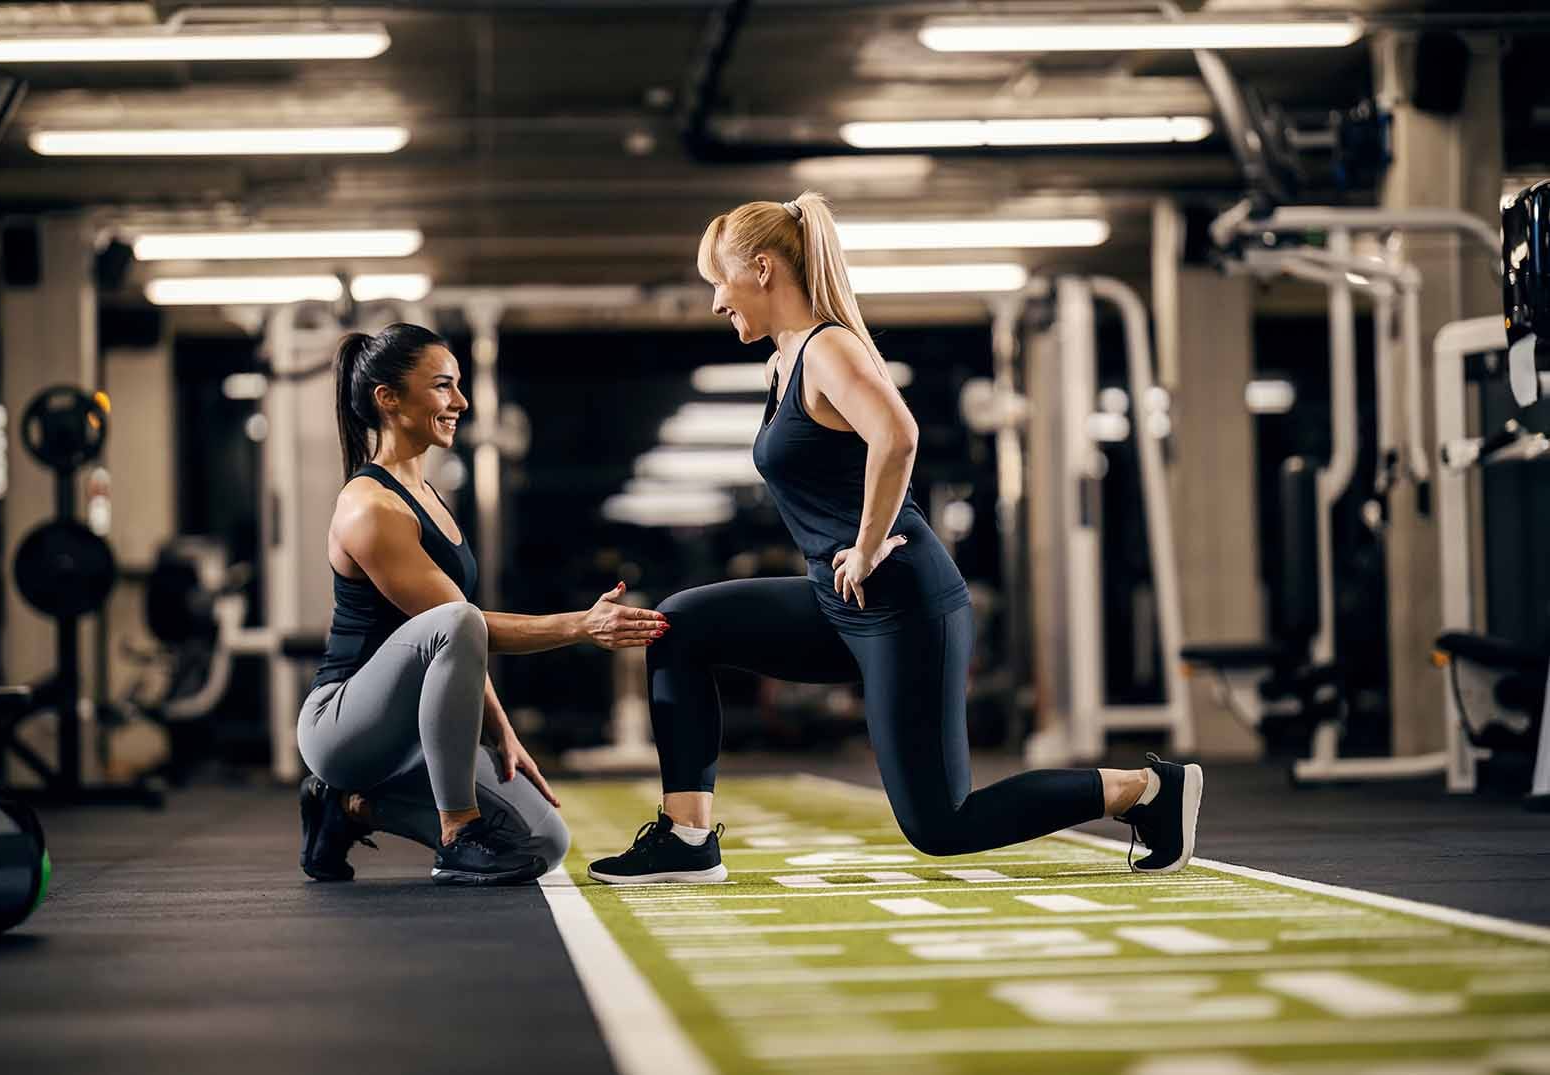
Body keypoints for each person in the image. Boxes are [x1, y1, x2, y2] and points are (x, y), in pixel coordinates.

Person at [588, 192, 1203, 885]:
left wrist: (870, 538)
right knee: (680, 623)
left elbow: (897, 433)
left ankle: (1147, 791)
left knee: (942, 825)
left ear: (761, 269)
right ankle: (686, 837)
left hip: (904, 608)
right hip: (837, 602)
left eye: (717, 282)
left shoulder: (827, 348)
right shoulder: (782, 359)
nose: (713, 303)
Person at [298, 322, 668, 885]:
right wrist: (581, 625)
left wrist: (502, 733)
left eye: (459, 386)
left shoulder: (425, 495)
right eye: (443, 386)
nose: (460, 402)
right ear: (388, 399)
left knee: (544, 842)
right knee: (455, 620)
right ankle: (457, 835)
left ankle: (345, 810)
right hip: (346, 728)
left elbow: (458, 645)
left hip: (411, 737)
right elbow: (453, 626)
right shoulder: (370, 507)